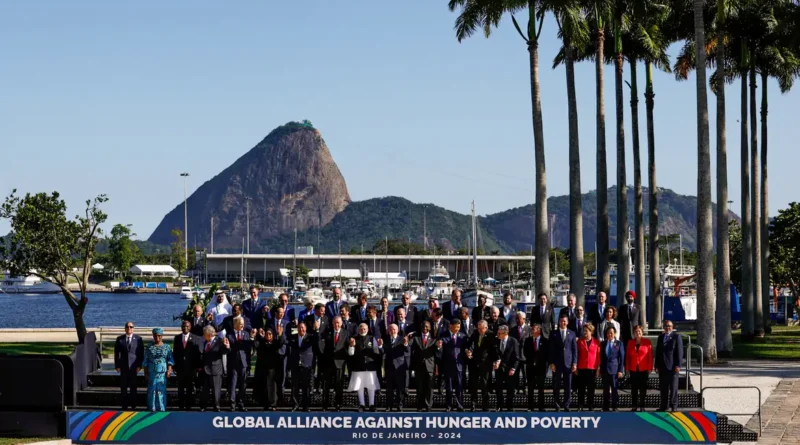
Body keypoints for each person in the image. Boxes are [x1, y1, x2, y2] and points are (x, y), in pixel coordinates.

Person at [347, 323, 382, 412]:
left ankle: (371, 404)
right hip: (358, 366)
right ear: (358, 330)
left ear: (367, 329)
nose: (362, 330)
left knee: (371, 386)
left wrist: (379, 346)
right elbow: (350, 353)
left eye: (364, 329)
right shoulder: (354, 339)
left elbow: (377, 352)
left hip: (370, 366)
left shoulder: (372, 338)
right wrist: (351, 346)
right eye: (361, 329)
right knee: (360, 386)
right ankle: (362, 404)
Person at [253, 327, 286, 411]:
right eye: (267, 334)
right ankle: (265, 404)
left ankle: (274, 404)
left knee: (273, 388)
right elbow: (256, 345)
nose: (268, 335)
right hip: (263, 369)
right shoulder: (262, 343)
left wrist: (280, 335)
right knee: (264, 387)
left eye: (270, 334)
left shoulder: (275, 343)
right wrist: (255, 336)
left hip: (273, 369)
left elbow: (281, 342)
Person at [549, 314, 577, 411]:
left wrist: (574, 363)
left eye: (564, 321)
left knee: (568, 385)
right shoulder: (553, 333)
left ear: (567, 322)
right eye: (561, 321)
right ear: (559, 322)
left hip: (568, 363)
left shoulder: (572, 333)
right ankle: (557, 404)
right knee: (556, 385)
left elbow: (574, 350)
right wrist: (551, 363)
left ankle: (566, 404)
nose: (563, 323)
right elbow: (551, 350)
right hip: (557, 363)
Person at [321, 316, 349, 411]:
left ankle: (338, 404)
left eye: (338, 323)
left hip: (340, 363)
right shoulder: (327, 332)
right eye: (335, 323)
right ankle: (325, 405)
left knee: (339, 385)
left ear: (341, 323)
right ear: (332, 323)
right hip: (328, 363)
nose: (336, 325)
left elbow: (347, 347)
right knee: (326, 385)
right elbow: (323, 346)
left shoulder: (346, 333)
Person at [224, 316, 252, 411]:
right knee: (233, 384)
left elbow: (248, 348)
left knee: (243, 384)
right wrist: (228, 347)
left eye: (243, 324)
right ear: (235, 325)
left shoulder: (246, 334)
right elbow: (227, 350)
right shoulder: (229, 335)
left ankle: (241, 403)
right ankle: (232, 404)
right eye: (240, 324)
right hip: (233, 363)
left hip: (243, 363)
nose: (242, 326)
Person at [438, 319, 467, 411]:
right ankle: (449, 405)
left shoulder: (463, 336)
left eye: (459, 327)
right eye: (456, 327)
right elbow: (440, 351)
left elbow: (466, 348)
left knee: (459, 386)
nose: (457, 329)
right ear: (450, 326)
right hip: (448, 365)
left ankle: (459, 405)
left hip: (459, 365)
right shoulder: (443, 335)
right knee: (449, 387)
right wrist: (439, 346)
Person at [143, 328, 174, 412]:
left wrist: (169, 370)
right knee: (152, 390)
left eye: (159, 336)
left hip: (162, 373)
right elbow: (145, 361)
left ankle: (161, 408)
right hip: (152, 372)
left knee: (161, 390)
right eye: (155, 336)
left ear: (162, 336)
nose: (157, 337)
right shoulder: (149, 347)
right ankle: (152, 408)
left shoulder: (167, 347)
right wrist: (145, 372)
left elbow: (170, 360)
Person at [114, 322, 143, 410]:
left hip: (134, 367)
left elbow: (141, 353)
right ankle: (124, 406)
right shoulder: (120, 339)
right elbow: (116, 353)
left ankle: (133, 405)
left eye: (131, 327)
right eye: (127, 326)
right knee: (123, 388)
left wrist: (139, 365)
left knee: (133, 387)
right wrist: (117, 365)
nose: (129, 328)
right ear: (125, 328)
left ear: (133, 328)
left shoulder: (138, 339)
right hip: (123, 367)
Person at [287, 322, 316, 411]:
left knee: (306, 386)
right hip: (295, 364)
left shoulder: (311, 337)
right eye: (299, 328)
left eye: (302, 328)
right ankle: (295, 405)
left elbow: (317, 338)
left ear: (305, 328)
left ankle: (305, 406)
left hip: (306, 365)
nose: (301, 329)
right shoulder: (293, 338)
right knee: (294, 386)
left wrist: (317, 329)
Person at [655, 320, 683, 412]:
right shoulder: (660, 337)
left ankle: (674, 406)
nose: (668, 328)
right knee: (663, 387)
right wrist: (656, 365)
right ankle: (664, 406)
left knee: (673, 387)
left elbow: (679, 352)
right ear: (663, 327)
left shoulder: (676, 337)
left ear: (672, 327)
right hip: (662, 366)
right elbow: (658, 352)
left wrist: (678, 365)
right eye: (666, 326)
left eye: (669, 326)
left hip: (672, 366)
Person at [467, 320, 495, 411]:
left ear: (486, 328)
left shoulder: (491, 335)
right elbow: (470, 343)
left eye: (481, 329)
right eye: (478, 328)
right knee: (473, 384)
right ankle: (473, 404)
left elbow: (493, 349)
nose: (479, 330)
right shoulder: (475, 333)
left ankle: (485, 405)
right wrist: (468, 350)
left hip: (485, 363)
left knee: (485, 385)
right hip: (474, 362)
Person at [383, 324, 411, 411]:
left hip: (399, 368)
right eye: (391, 329)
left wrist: (405, 344)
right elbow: (383, 351)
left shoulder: (402, 339)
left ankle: (399, 405)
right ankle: (389, 406)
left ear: (398, 330)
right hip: (389, 367)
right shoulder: (386, 340)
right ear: (388, 331)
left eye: (394, 329)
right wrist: (380, 346)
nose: (393, 331)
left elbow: (407, 351)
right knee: (389, 389)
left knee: (400, 389)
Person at [412, 321, 438, 412]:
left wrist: (439, 347)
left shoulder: (434, 339)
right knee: (420, 387)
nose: (425, 328)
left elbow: (437, 353)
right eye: (423, 326)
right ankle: (420, 406)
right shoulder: (416, 338)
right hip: (419, 366)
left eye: (427, 326)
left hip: (430, 366)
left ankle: (428, 406)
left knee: (429, 388)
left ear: (430, 328)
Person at [173, 320, 200, 410]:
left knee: (189, 388)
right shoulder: (177, 338)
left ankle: (189, 406)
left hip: (191, 368)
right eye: (184, 326)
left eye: (187, 326)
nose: (185, 328)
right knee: (180, 388)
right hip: (180, 368)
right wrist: (175, 366)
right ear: (181, 327)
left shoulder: (196, 338)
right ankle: (181, 405)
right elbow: (175, 353)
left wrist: (196, 368)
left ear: (190, 327)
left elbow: (197, 354)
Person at [626, 325, 653, 412]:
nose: (637, 333)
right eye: (636, 331)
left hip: (643, 369)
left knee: (643, 389)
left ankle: (642, 406)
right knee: (634, 389)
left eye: (639, 331)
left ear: (642, 332)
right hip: (633, 369)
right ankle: (634, 406)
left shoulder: (647, 342)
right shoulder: (630, 342)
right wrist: (627, 368)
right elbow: (627, 357)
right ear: (634, 333)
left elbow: (650, 356)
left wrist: (650, 368)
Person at [493, 325, 519, 411]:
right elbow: (494, 354)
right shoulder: (496, 341)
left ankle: (509, 406)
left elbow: (517, 357)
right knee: (498, 388)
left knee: (510, 388)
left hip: (509, 369)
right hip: (499, 368)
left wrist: (513, 368)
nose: (497, 335)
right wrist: (495, 362)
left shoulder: (513, 341)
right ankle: (499, 406)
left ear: (505, 333)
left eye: (499, 333)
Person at [523, 324, 548, 411]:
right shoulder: (528, 340)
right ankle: (530, 406)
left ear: (539, 331)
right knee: (530, 388)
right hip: (530, 367)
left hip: (541, 368)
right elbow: (525, 352)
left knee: (541, 388)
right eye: (532, 329)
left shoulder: (545, 341)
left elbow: (546, 354)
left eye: (534, 329)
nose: (532, 331)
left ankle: (541, 406)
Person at [575, 324, 601, 411]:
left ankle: (590, 405)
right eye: (584, 330)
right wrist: (576, 367)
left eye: (586, 331)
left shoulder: (596, 342)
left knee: (591, 388)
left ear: (591, 331)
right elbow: (576, 355)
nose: (584, 332)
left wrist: (598, 368)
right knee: (581, 388)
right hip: (582, 367)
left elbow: (598, 357)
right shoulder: (579, 341)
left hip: (592, 368)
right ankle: (580, 405)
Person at [199, 325, 224, 412]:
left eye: (204, 334)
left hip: (215, 370)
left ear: (209, 334)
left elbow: (225, 351)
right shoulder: (205, 342)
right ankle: (204, 406)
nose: (203, 335)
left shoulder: (219, 341)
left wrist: (227, 346)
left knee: (216, 390)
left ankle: (216, 406)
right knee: (205, 390)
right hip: (205, 370)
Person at [601, 325, 625, 411]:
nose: (609, 334)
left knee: (614, 389)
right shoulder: (603, 343)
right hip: (605, 370)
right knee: (605, 390)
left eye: (611, 333)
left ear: (614, 334)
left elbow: (622, 358)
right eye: (608, 333)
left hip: (614, 370)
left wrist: (620, 370)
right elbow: (601, 357)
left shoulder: (619, 343)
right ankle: (606, 407)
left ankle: (614, 406)